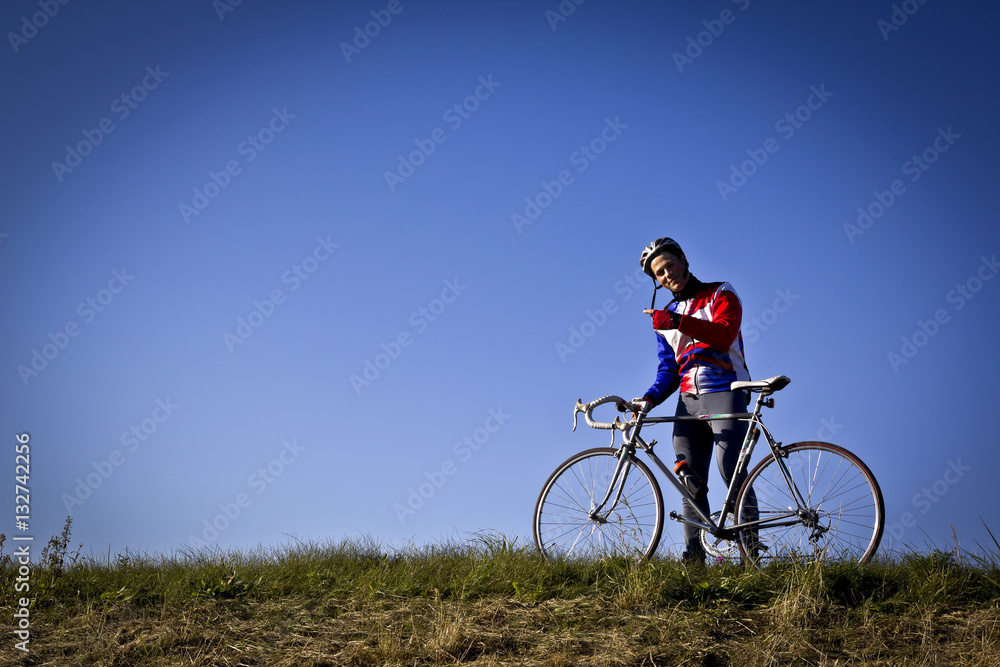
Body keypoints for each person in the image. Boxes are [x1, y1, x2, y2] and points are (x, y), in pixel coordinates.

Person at [631, 237, 755, 565]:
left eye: (670, 265)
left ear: (684, 260)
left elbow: (724, 334)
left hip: (726, 390)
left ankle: (752, 556)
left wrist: (678, 322)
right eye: (659, 273)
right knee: (689, 482)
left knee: (731, 473)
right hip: (687, 401)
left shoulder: (720, 292)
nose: (667, 274)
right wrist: (648, 399)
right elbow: (668, 371)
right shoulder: (666, 317)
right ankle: (695, 562)